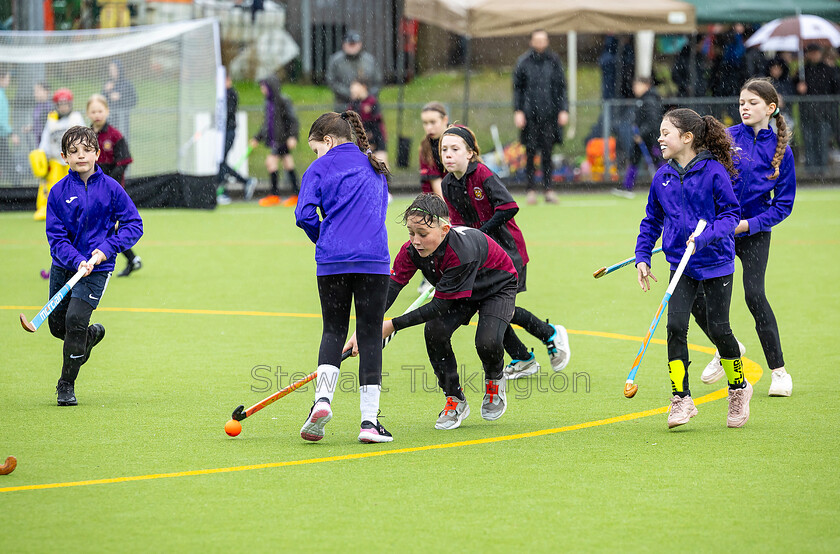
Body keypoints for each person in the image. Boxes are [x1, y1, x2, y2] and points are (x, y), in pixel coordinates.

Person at [350, 193, 520, 430]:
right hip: (461, 289)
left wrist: (391, 325)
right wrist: (366, 326)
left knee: (488, 342)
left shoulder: (461, 253)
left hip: (496, 286)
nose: (416, 241)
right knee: (435, 332)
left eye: (423, 234)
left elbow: (440, 305)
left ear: (445, 229)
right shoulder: (410, 251)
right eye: (411, 233)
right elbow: (391, 287)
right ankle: (455, 398)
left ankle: (494, 379)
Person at [635, 108, 749, 429]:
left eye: (666, 133)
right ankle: (681, 398)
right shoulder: (662, 176)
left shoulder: (713, 172)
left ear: (687, 138)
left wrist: (705, 237)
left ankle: (738, 388)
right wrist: (643, 255)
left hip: (716, 263)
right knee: (675, 327)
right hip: (680, 265)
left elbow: (729, 215)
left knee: (720, 330)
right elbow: (652, 220)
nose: (660, 138)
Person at [438, 125, 571, 380]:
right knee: (488, 308)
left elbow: (509, 206)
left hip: (508, 251)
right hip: (481, 255)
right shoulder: (447, 184)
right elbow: (457, 224)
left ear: (470, 153)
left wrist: (482, 233)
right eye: (444, 149)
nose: (448, 154)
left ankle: (549, 334)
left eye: (455, 149)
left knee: (502, 310)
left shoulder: (483, 174)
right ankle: (523, 358)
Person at [692, 78, 796, 397]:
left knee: (754, 295)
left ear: (770, 108)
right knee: (699, 297)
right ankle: (729, 346)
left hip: (753, 234)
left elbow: (784, 204)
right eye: (741, 103)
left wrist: (748, 224)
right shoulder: (726, 137)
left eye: (752, 102)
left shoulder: (782, 151)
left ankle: (779, 372)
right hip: (719, 232)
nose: (745, 108)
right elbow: (703, 175)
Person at [294, 110, 392, 444]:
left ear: (329, 140)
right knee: (368, 336)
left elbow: (304, 215)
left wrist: (325, 237)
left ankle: (321, 401)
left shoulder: (319, 169)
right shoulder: (375, 166)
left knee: (333, 329)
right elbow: (378, 212)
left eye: (316, 148)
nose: (316, 156)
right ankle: (369, 422)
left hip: (333, 260)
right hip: (374, 261)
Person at [46, 125, 143, 406]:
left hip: (97, 269)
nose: (81, 156)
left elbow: (133, 225)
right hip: (65, 266)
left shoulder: (111, 189)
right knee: (58, 327)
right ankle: (88, 337)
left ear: (98, 154)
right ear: (64, 157)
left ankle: (66, 384)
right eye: (74, 151)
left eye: (87, 150)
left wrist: (106, 249)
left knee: (75, 320)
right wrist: (76, 260)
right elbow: (56, 238)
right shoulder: (57, 193)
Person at [87, 94, 142, 278]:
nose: (97, 115)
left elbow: (123, 162)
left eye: (100, 111)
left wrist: (106, 182)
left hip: (112, 190)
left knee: (111, 226)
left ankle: (126, 259)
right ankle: (132, 259)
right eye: (93, 111)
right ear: (88, 113)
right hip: (90, 190)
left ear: (107, 111)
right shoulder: (86, 136)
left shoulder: (115, 135)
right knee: (102, 226)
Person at [512, 29, 568, 205]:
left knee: (548, 153)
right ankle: (530, 190)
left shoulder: (554, 61)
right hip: (530, 116)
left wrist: (563, 110)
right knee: (529, 153)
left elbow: (561, 88)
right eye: (537, 40)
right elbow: (517, 89)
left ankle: (549, 190)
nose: (540, 43)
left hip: (549, 114)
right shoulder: (523, 62)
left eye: (543, 40)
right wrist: (518, 111)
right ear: (531, 42)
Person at [31, 88, 85, 221]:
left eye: (66, 103)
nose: (63, 107)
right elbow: (45, 138)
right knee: (50, 185)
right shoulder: (51, 119)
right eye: (60, 104)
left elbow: (84, 136)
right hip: (55, 159)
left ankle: (77, 209)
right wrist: (42, 154)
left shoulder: (76, 117)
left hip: (72, 160)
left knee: (74, 184)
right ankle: (45, 208)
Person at [250, 76, 298, 207]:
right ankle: (295, 194)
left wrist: (292, 136)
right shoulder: (268, 103)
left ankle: (275, 195)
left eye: (263, 86)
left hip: (282, 139)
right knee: (288, 163)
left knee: (271, 162)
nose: (262, 89)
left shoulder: (283, 101)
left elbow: (293, 120)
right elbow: (266, 124)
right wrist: (257, 137)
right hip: (276, 140)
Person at [795, 44, 840, 173]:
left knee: (822, 141)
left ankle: (822, 169)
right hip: (807, 113)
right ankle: (810, 170)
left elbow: (835, 89)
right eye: (811, 52)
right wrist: (799, 88)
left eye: (816, 52)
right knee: (809, 141)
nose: (814, 55)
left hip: (825, 113)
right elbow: (794, 87)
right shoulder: (803, 71)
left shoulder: (830, 70)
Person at [618, 77, 663, 196]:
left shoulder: (649, 100)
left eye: (637, 85)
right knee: (634, 159)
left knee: (657, 160)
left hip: (650, 138)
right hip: (642, 138)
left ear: (646, 85)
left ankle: (667, 184)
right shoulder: (643, 100)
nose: (635, 88)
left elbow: (652, 122)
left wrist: (641, 133)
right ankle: (627, 186)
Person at [218, 73, 257, 203]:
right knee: (221, 162)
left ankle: (226, 190)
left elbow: (228, 112)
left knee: (221, 162)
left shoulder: (230, 94)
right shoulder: (223, 94)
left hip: (229, 132)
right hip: (223, 132)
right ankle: (240, 183)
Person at [326, 31, 383, 113]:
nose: (352, 47)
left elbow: (378, 81)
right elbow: (331, 81)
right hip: (343, 106)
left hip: (368, 108)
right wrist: (349, 94)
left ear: (360, 44)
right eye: (350, 44)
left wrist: (366, 96)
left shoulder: (370, 60)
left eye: (355, 44)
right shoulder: (336, 61)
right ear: (344, 44)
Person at [348, 80, 388, 169]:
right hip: (362, 141)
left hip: (377, 139)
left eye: (355, 87)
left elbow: (377, 123)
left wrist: (374, 140)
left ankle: (386, 182)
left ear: (363, 87)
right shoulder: (354, 104)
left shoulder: (372, 101)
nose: (352, 90)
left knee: (382, 166)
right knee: (365, 167)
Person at [418, 101, 448, 198]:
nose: (429, 127)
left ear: (445, 120)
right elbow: (436, 185)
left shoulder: (461, 136)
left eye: (433, 122)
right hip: (439, 202)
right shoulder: (425, 148)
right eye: (425, 123)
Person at [102, 61, 137, 140]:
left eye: (114, 70)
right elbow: (101, 101)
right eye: (111, 70)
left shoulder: (127, 84)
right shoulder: (108, 84)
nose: (112, 72)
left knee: (122, 140)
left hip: (122, 118)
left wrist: (120, 97)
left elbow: (134, 100)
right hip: (109, 117)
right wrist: (105, 91)